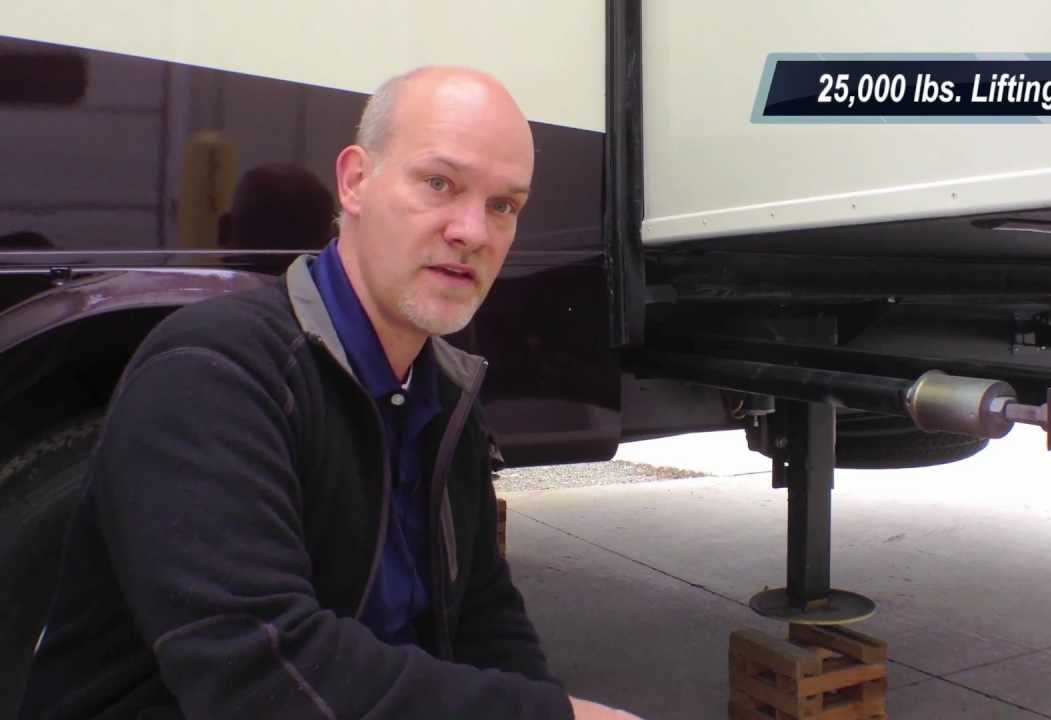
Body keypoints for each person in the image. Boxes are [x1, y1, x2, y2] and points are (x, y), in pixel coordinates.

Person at [20, 66, 641, 720]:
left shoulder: (444, 395)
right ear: (355, 181)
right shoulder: (211, 375)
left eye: (503, 206)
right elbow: (261, 675)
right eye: (439, 183)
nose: (473, 232)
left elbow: (485, 618)